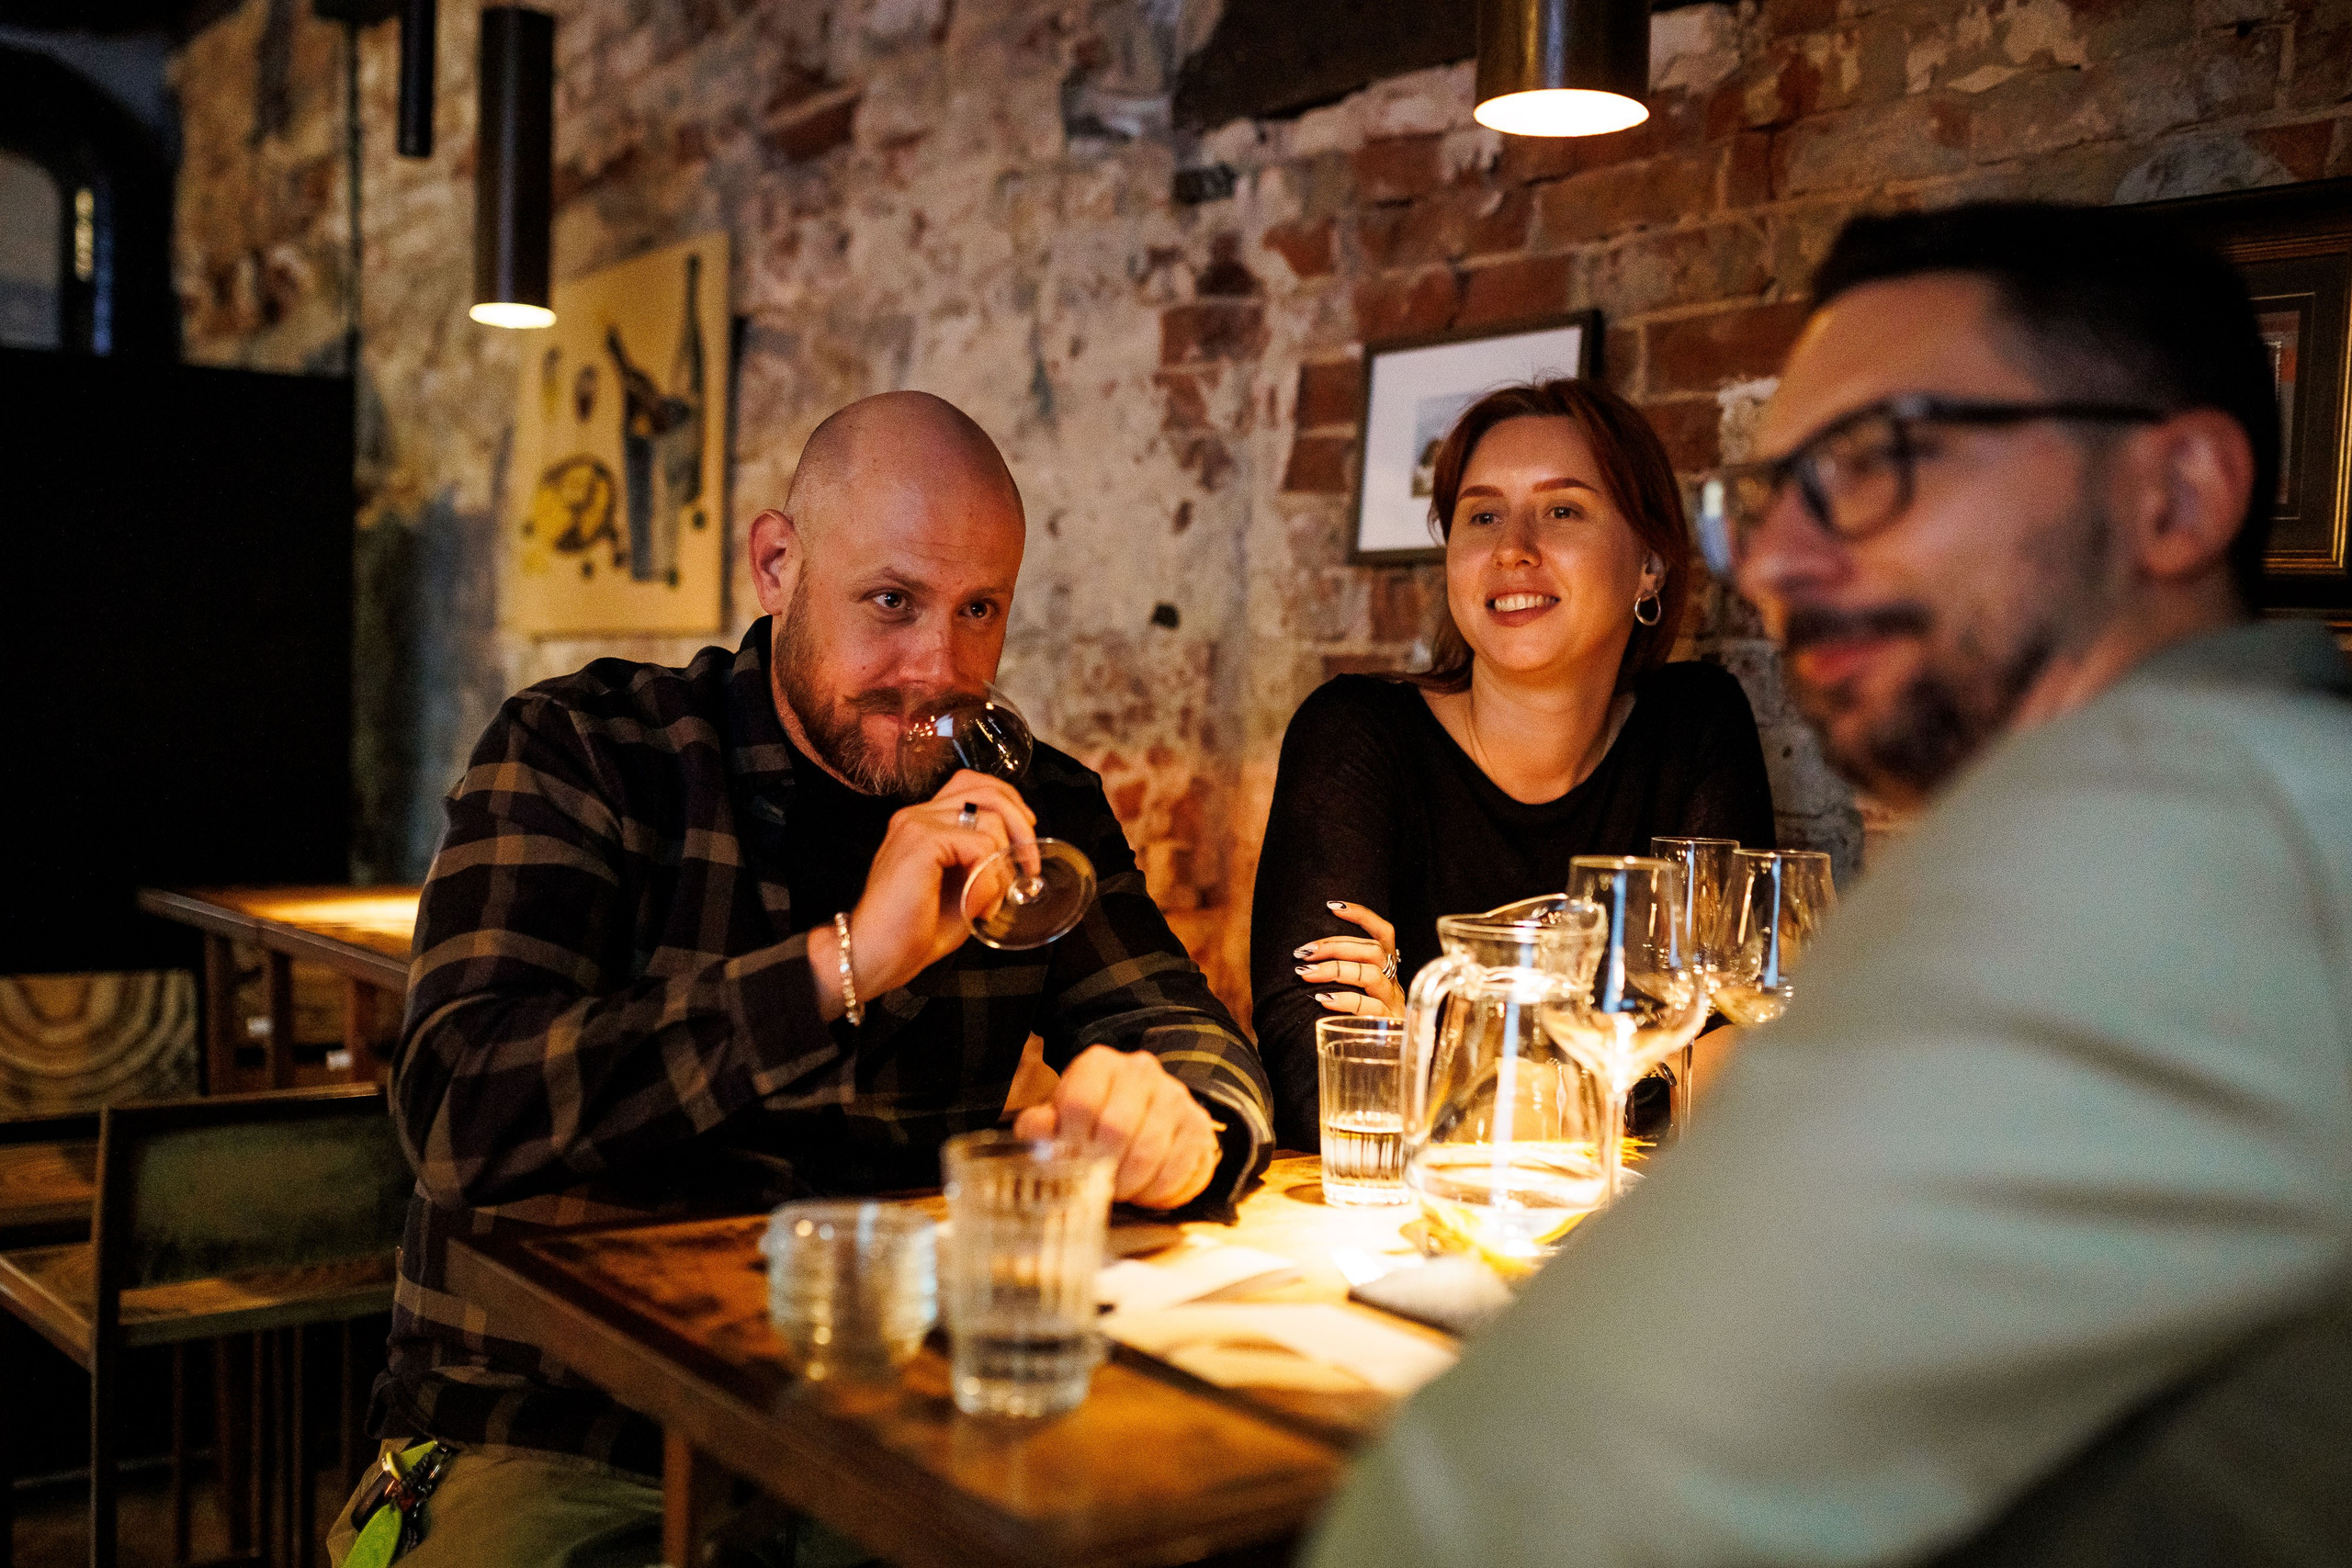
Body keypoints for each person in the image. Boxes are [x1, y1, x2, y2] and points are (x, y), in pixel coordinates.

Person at [1305, 202, 2352, 1565]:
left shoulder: (2178, 856)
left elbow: (1492, 1508)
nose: (1785, 562)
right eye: (1775, 495)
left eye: (1880, 465)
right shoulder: (2259, 791)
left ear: (2175, 496)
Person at [328, 390, 1273, 1566]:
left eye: (979, 610)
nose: (937, 667)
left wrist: (1188, 1129)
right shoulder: (586, 750)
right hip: (559, 1430)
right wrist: (844, 966)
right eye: (892, 602)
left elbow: (1191, 1038)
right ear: (777, 563)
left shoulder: (1033, 811)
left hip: (882, 1433)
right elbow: (461, 1112)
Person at [1250, 378, 1775, 1149]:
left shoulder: (1695, 724)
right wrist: (1626, 1071)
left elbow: (1737, 1067)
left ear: (1651, 565)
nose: (1512, 548)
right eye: (1483, 514)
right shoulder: (1355, 735)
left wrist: (1432, 1046)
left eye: (1562, 510)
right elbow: (1318, 1076)